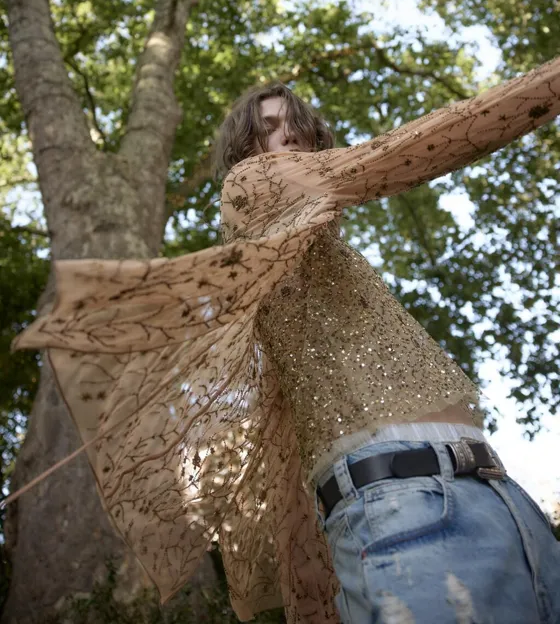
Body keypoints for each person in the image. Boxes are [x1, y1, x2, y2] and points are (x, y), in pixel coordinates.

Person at [7, 56, 560, 624]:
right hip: (410, 509)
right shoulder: (252, 182)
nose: (287, 132)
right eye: (267, 127)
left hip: (503, 501)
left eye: (294, 121)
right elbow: (415, 148)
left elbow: (282, 440)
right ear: (246, 149)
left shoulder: (312, 261)